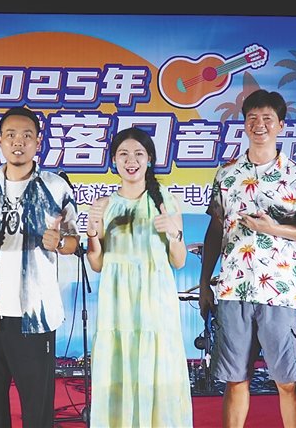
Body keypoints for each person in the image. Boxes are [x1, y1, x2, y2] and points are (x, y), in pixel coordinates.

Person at [0, 107, 79, 428]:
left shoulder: (56, 187)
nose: (18, 142)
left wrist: (59, 243)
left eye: (26, 135)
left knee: (37, 412)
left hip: (35, 317)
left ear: (38, 142)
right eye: (11, 135)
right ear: (0, 141)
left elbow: (74, 243)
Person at [199, 89, 296, 428]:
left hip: (280, 291)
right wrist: (204, 282)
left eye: (268, 118)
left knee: (287, 381)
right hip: (232, 289)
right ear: (244, 124)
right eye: (252, 118)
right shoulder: (227, 174)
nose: (259, 124)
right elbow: (215, 229)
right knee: (235, 379)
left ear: (281, 125)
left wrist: (275, 229)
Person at [86, 127, 193, 428]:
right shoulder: (104, 205)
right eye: (123, 154)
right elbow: (96, 263)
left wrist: (174, 233)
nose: (130, 161)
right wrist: (92, 233)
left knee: (156, 368)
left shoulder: (166, 201)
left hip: (155, 300)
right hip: (117, 302)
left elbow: (179, 261)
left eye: (138, 154)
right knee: (118, 366)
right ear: (114, 160)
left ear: (149, 159)